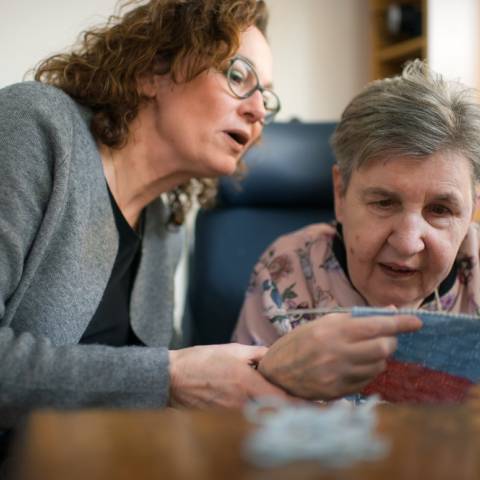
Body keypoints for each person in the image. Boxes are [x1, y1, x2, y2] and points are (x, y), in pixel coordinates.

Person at [0, 0, 298, 442]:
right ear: (152, 71)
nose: (257, 112)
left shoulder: (165, 223)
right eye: (239, 76)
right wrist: (169, 377)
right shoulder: (35, 127)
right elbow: (161, 377)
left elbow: (160, 385)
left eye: (266, 97)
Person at [233, 60, 480, 401]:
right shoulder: (288, 270)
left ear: (471, 210)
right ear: (340, 193)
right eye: (383, 202)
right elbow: (237, 416)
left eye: (440, 210)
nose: (408, 243)